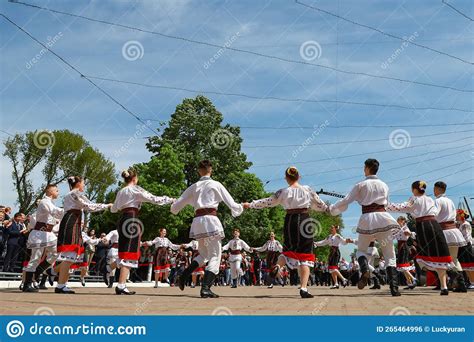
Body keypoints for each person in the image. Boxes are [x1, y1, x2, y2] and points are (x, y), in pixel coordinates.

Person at [244, 166, 328, 298]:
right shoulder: (307, 189)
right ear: (298, 177)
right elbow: (320, 204)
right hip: (305, 220)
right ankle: (304, 288)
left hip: (290, 221)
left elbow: (268, 202)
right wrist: (328, 209)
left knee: (288, 251)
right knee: (305, 256)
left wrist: (251, 204)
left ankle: (278, 265)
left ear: (286, 178)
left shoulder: (283, 191)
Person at [171, 160, 243, 298]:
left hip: (197, 222)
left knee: (203, 254)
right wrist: (240, 208)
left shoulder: (193, 187)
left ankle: (185, 275)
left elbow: (175, 208)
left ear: (199, 170)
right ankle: (205, 288)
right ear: (211, 170)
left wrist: (175, 203)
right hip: (210, 221)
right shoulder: (216, 185)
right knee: (215, 255)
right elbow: (232, 204)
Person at [329, 159, 401, 296]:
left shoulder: (360, 185)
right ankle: (394, 289)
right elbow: (387, 204)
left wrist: (332, 208)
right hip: (383, 218)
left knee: (361, 251)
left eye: (364, 167)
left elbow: (346, 200)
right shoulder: (384, 185)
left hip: (367, 219)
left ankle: (365, 269)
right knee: (390, 255)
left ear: (367, 168)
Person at [111, 169, 175, 295]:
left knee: (124, 250)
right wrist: (170, 199)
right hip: (132, 219)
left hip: (122, 219)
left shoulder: (121, 191)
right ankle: (121, 285)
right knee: (130, 251)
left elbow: (114, 209)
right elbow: (154, 199)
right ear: (134, 179)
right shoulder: (135, 189)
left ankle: (113, 273)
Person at [386, 181, 454, 295]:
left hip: (423, 226)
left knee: (423, 257)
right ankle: (444, 286)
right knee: (440, 255)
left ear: (414, 189)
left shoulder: (414, 199)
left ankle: (447, 278)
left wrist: (385, 206)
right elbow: (435, 213)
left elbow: (402, 207)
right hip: (435, 225)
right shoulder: (430, 199)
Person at [55, 176, 111, 294]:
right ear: (79, 183)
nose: (84, 185)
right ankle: (60, 284)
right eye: (83, 183)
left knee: (71, 256)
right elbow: (89, 206)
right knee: (69, 256)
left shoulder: (70, 194)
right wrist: (107, 205)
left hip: (72, 222)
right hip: (71, 223)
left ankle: (60, 281)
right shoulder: (75, 193)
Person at [23, 185, 63, 292]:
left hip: (48, 234)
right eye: (56, 190)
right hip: (40, 234)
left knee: (57, 252)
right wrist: (69, 210)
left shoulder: (50, 202)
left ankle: (38, 272)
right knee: (35, 258)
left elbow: (57, 216)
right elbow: (55, 211)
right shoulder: (45, 202)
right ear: (49, 191)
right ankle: (27, 284)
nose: (58, 192)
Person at [433, 181, 467, 292]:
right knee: (454, 259)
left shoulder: (437, 201)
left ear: (437, 189)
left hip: (444, 232)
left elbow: (434, 215)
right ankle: (461, 284)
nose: (433, 191)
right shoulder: (450, 201)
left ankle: (447, 283)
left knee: (441, 259)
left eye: (434, 189)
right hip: (454, 231)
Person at [393, 216, 417, 290]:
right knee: (403, 266)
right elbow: (392, 236)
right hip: (400, 247)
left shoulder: (405, 228)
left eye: (400, 220)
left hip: (404, 246)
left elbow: (411, 235)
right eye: (398, 220)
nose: (398, 222)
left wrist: (408, 233)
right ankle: (410, 284)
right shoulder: (396, 229)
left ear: (403, 221)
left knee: (402, 265)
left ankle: (414, 279)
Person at [456, 209, 474, 289]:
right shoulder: (460, 224)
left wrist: (461, 243)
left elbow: (466, 236)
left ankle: (473, 282)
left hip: (466, 245)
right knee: (465, 266)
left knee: (469, 265)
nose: (456, 216)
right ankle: (469, 281)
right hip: (462, 245)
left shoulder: (465, 224)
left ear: (462, 216)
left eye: (457, 215)